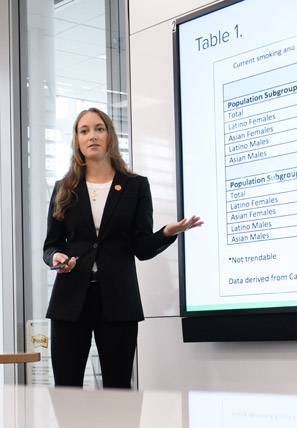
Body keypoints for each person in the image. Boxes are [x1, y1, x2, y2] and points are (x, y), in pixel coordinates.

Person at [43, 107, 203, 389]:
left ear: (110, 136)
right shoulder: (64, 187)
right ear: (77, 140)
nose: (92, 135)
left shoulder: (135, 186)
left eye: (99, 129)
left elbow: (141, 247)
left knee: (119, 391)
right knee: (66, 390)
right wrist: (56, 256)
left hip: (118, 300)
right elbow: (51, 245)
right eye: (84, 130)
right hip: (70, 300)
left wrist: (167, 233)